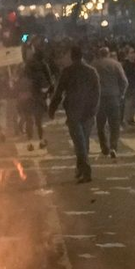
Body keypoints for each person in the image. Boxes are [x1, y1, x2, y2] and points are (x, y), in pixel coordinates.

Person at [49, 45, 100, 182]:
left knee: (79, 142)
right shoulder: (91, 71)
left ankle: (85, 170)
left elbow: (59, 92)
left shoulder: (68, 71)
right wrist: (94, 108)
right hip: (88, 111)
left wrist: (52, 108)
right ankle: (81, 167)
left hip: (74, 111)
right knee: (83, 141)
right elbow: (96, 92)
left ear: (72, 56)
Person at [93, 45, 128, 157]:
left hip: (99, 98)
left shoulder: (94, 65)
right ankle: (113, 146)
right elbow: (124, 81)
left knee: (100, 125)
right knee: (114, 125)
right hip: (114, 97)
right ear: (108, 54)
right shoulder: (115, 64)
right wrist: (121, 93)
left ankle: (104, 147)